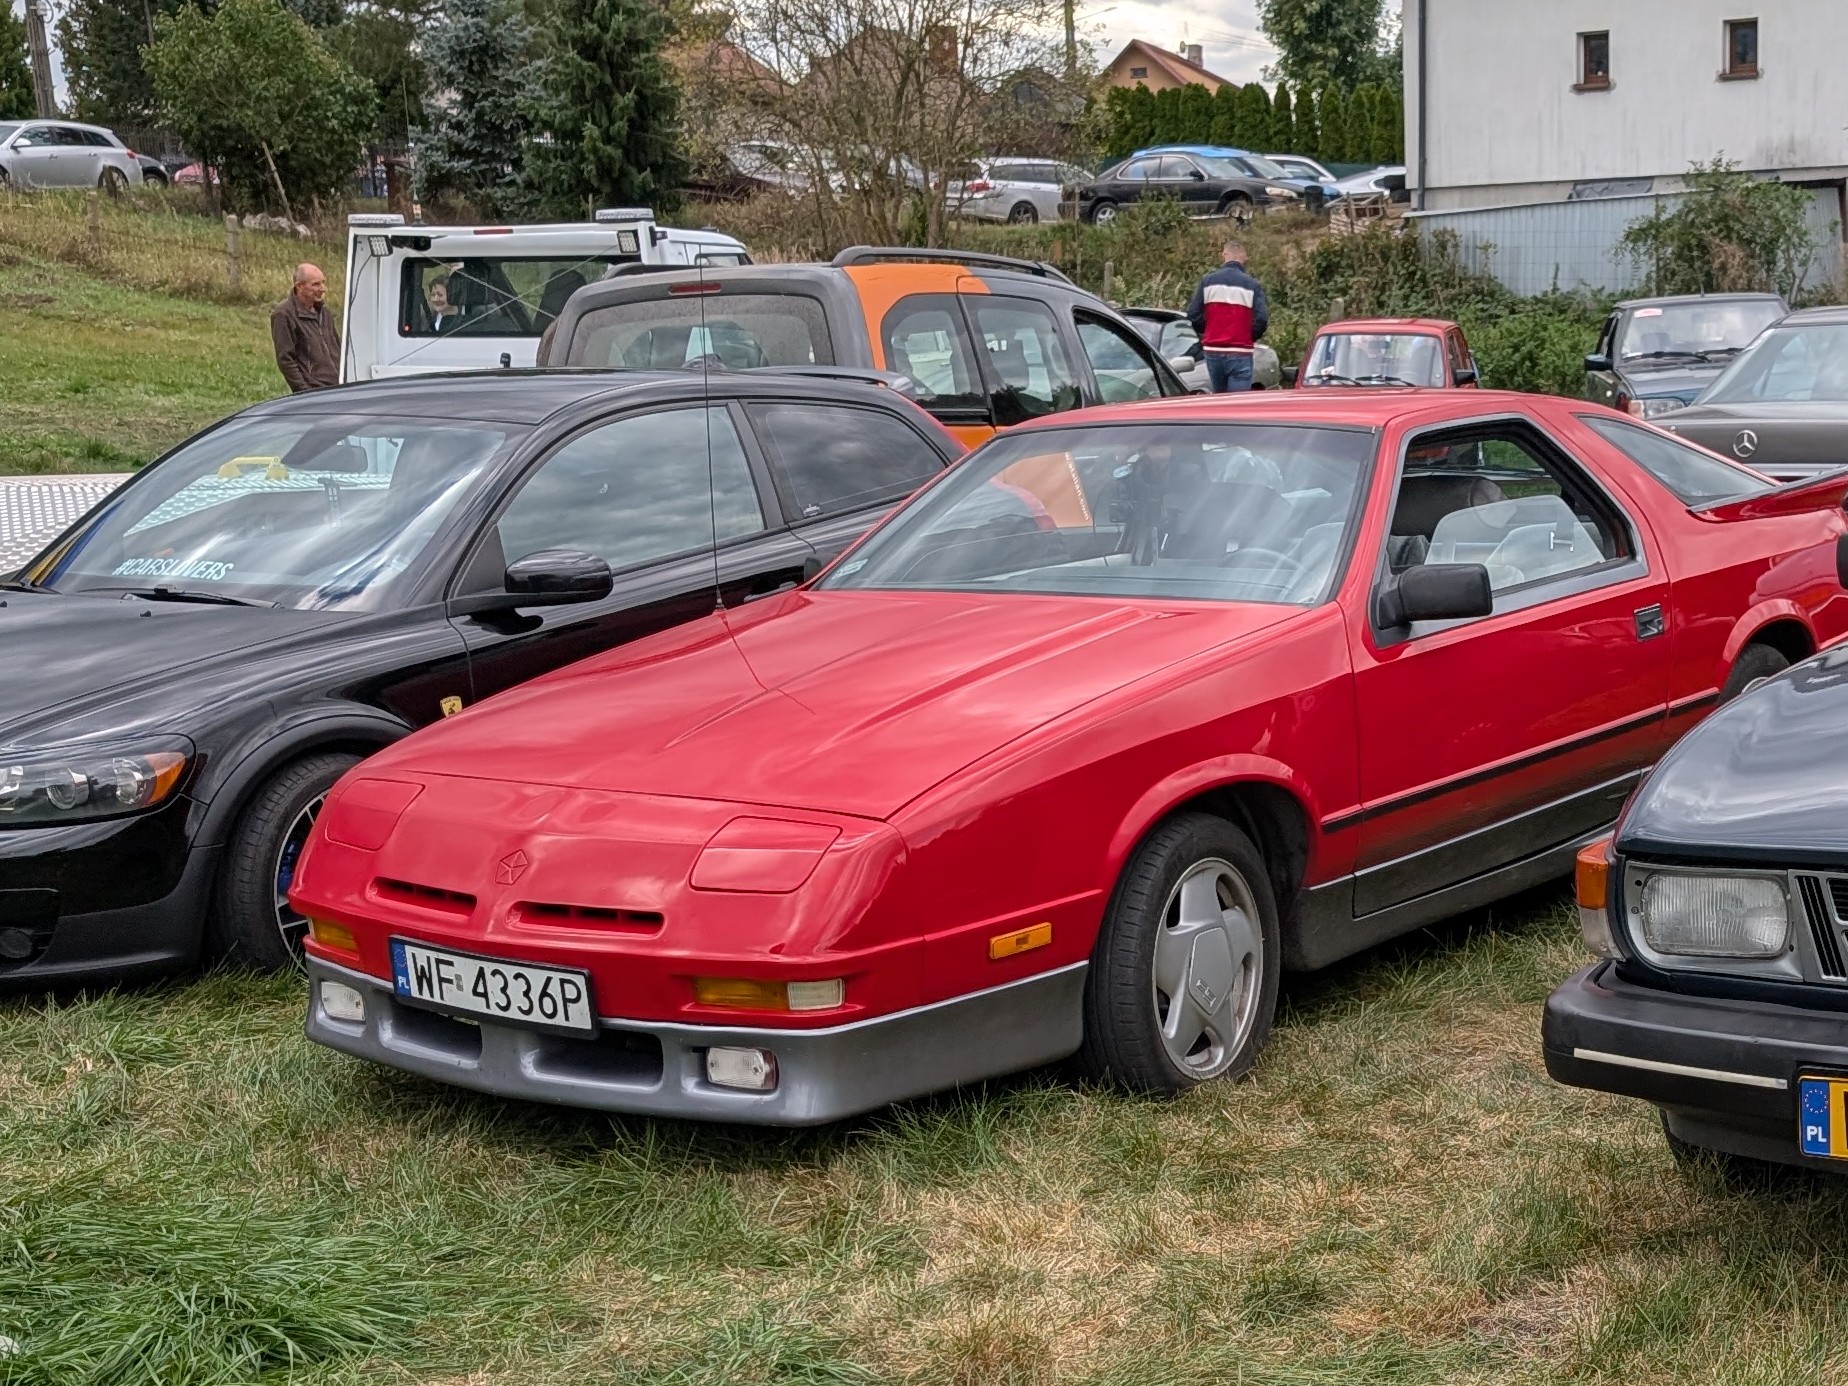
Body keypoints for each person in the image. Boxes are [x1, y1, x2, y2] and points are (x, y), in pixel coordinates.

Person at [1185, 240, 1269, 393]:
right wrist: (1249, 336)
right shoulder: (1252, 285)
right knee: (1237, 403)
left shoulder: (1208, 282)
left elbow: (1193, 314)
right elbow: (1262, 319)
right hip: (1240, 351)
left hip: (1213, 350)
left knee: (1220, 400)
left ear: (1223, 255)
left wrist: (1208, 330)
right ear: (1244, 257)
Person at [271, 263, 340, 392]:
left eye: (322, 283)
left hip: (338, 388)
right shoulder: (284, 314)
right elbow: (286, 360)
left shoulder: (325, 313)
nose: (323, 289)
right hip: (314, 392)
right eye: (316, 284)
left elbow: (338, 347)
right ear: (299, 286)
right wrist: (304, 390)